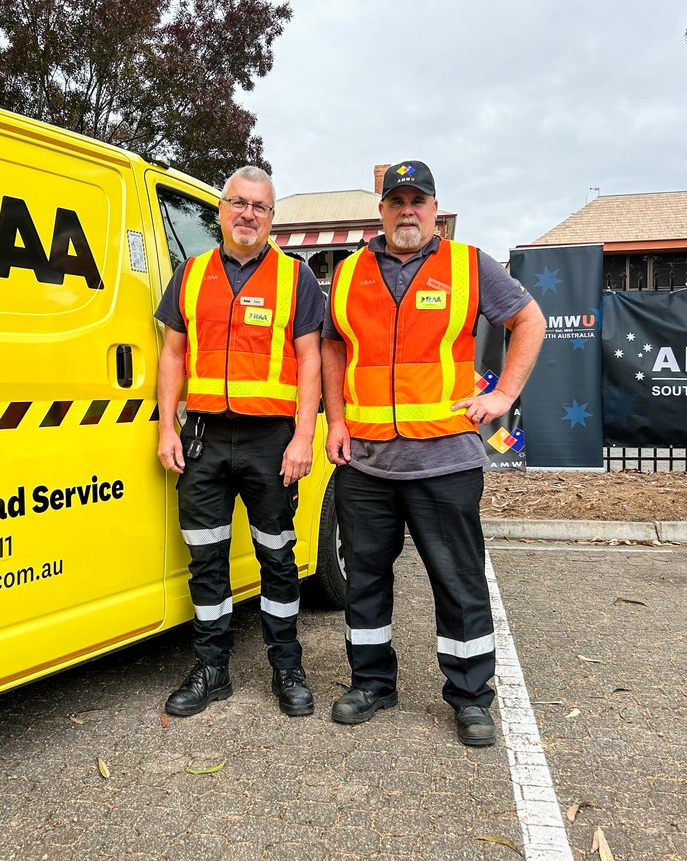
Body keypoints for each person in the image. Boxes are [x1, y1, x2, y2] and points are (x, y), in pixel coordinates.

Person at [322, 160, 545, 745]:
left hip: (445, 462)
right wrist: (337, 422)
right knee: (365, 577)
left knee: (457, 579)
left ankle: (470, 697)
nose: (407, 211)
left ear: (434, 208)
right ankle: (371, 682)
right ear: (382, 211)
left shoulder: (469, 265)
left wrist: (503, 395)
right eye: (396, 201)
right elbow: (331, 350)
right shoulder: (347, 273)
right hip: (365, 464)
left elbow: (529, 320)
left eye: (417, 201)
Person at [155, 165, 325, 717]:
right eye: (238, 203)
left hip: (270, 440)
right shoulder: (191, 273)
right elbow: (173, 354)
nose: (248, 214)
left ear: (272, 218)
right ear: (222, 209)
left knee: (277, 555)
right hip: (203, 436)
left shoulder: (295, 277)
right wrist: (165, 428)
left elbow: (309, 360)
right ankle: (212, 669)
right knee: (206, 557)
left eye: (260, 206)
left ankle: (286, 665)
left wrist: (304, 436)